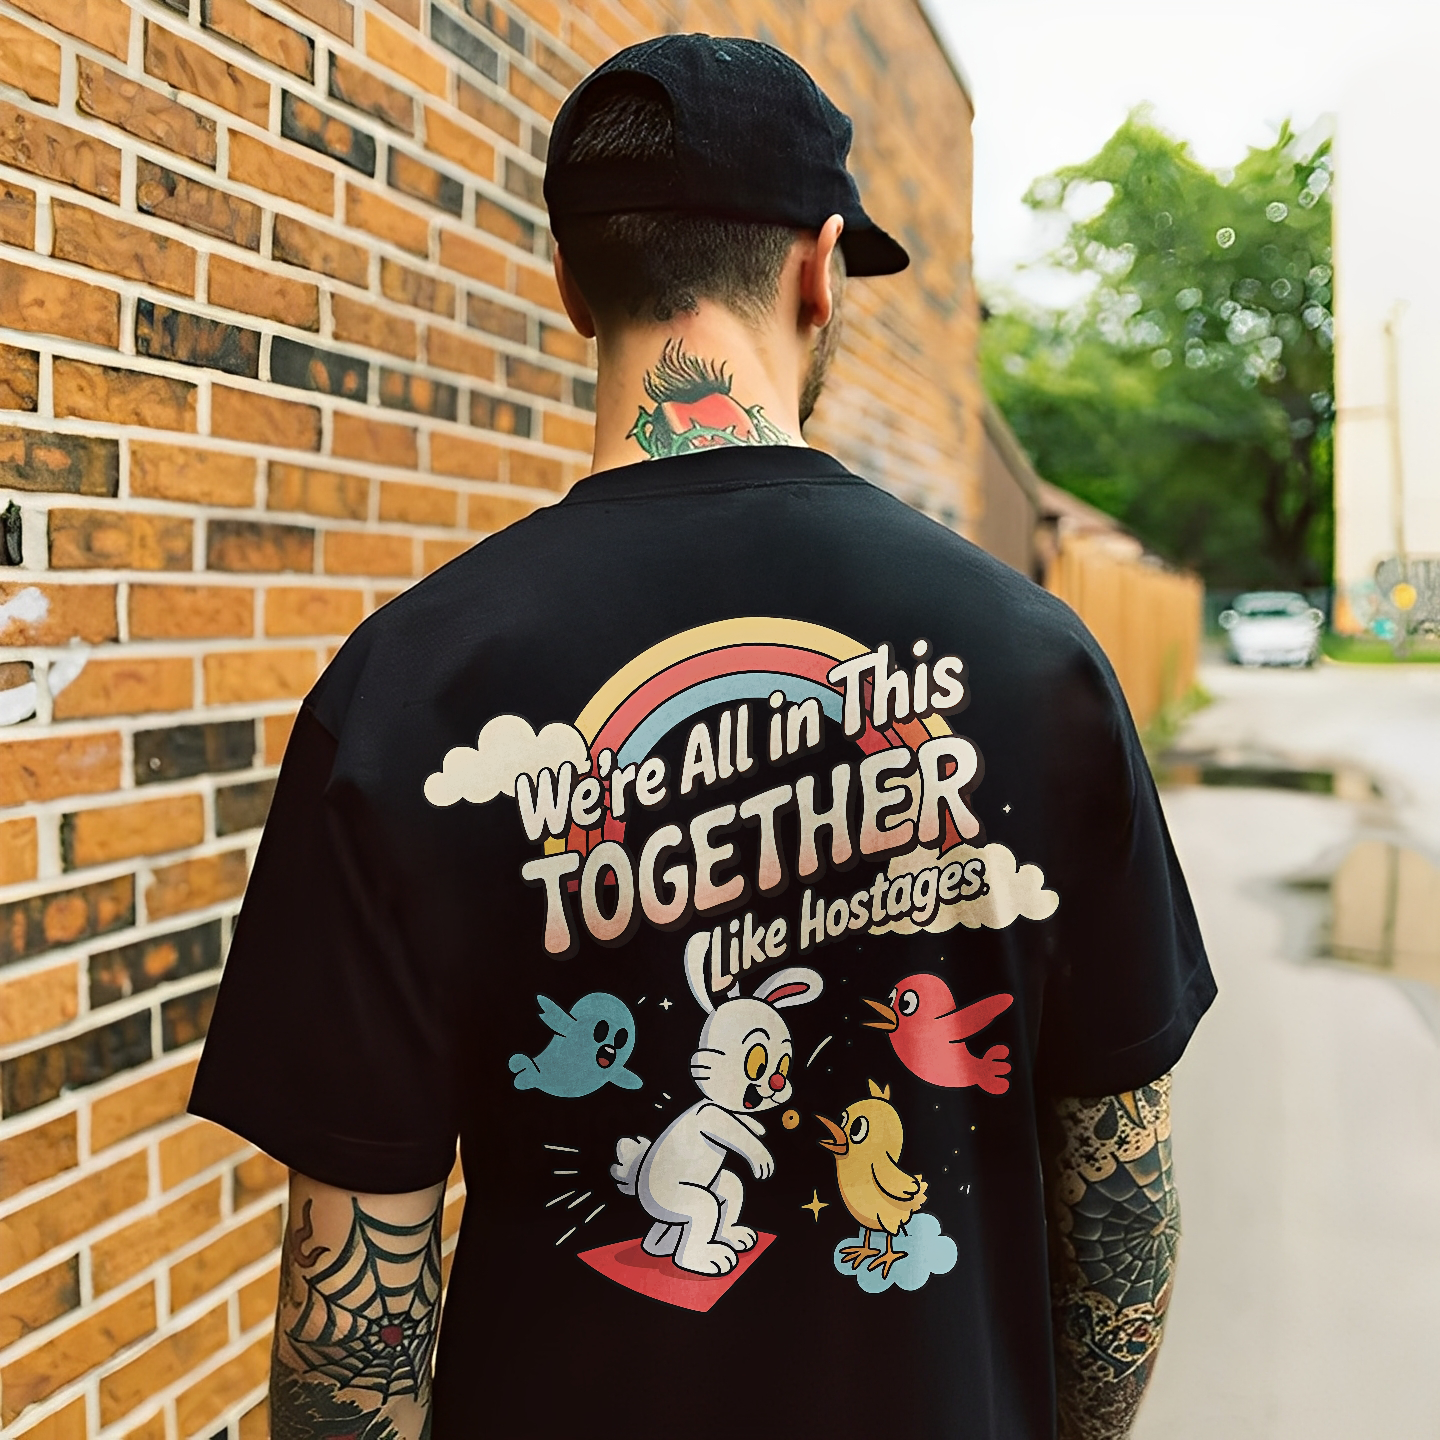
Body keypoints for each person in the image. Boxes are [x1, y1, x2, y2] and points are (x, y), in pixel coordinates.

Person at [189, 34, 1214, 1440]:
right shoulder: (1040, 665)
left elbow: (351, 1323)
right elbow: (1123, 1212)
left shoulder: (402, 687)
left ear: (570, 282)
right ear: (820, 270)